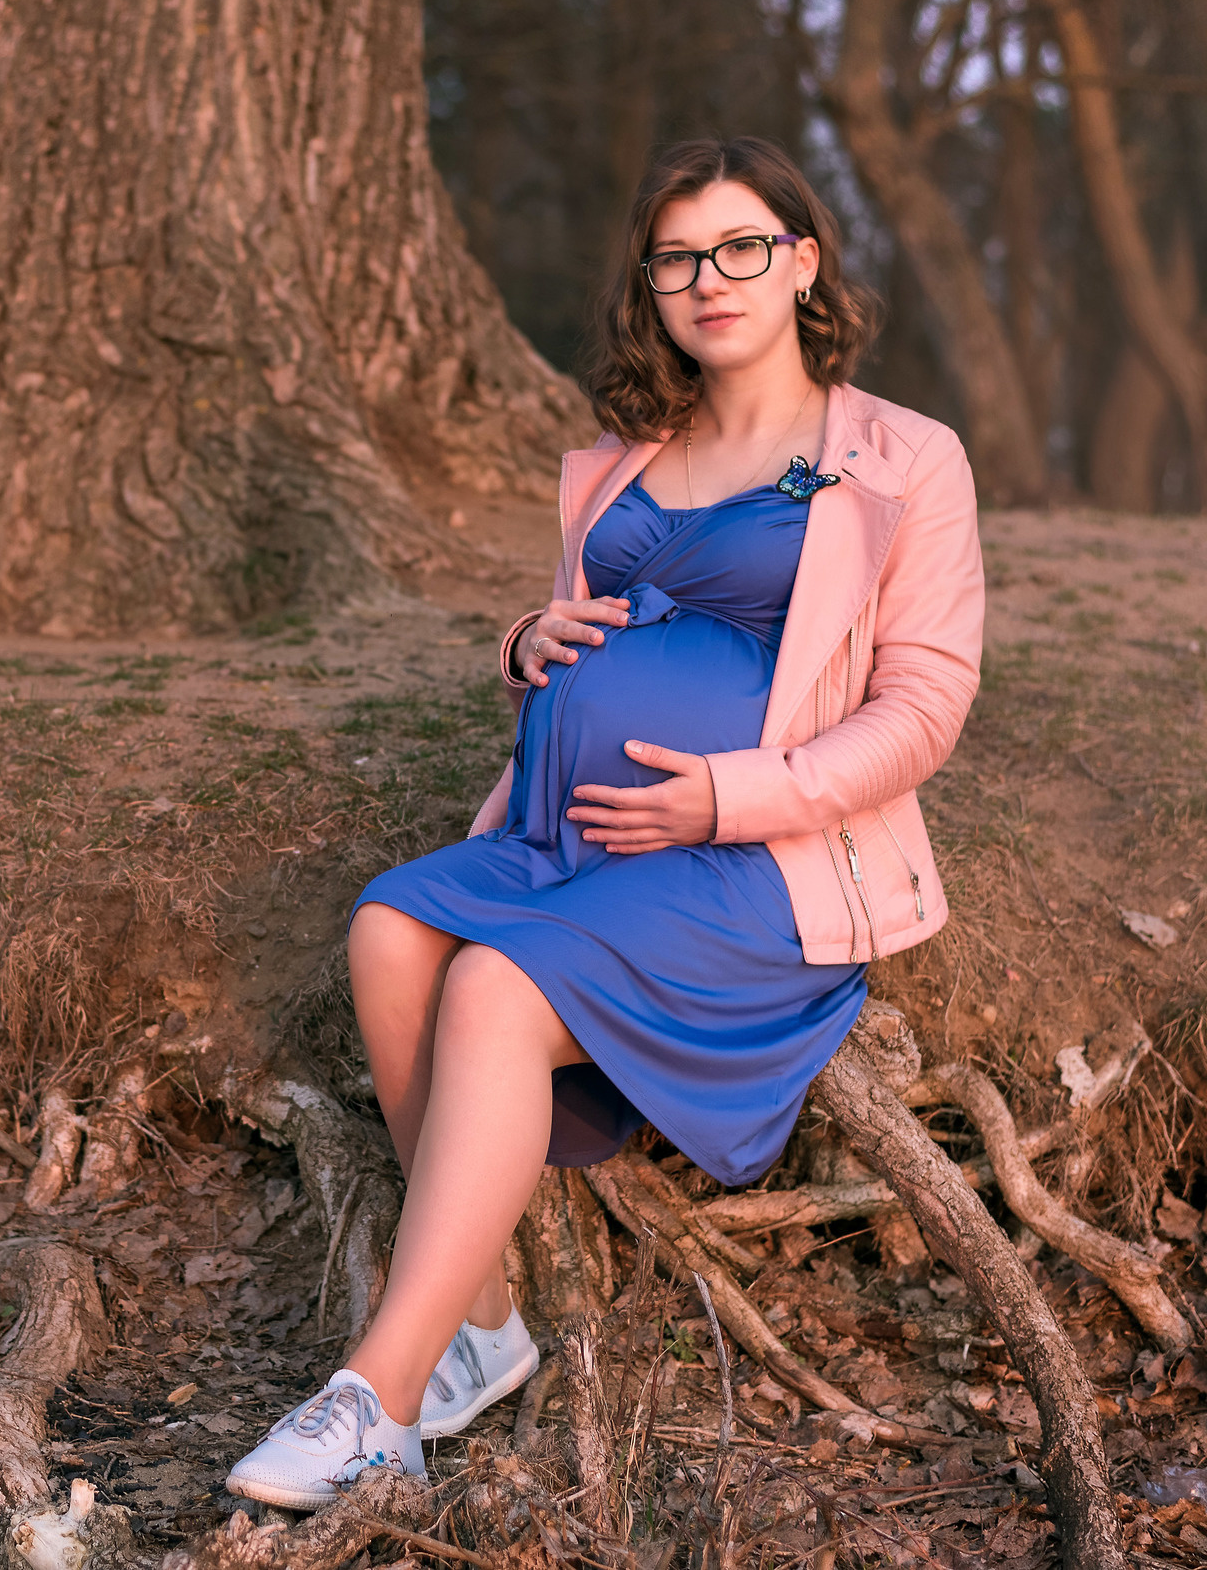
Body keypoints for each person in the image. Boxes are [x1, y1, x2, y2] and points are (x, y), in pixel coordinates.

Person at [223, 137, 986, 1510]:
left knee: (502, 984)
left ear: (803, 262)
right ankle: (480, 1325)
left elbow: (925, 705)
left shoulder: (901, 459)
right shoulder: (626, 457)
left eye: (742, 246)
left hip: (762, 863)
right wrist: (527, 639)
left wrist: (723, 793)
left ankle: (374, 1398)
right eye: (680, 256)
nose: (711, 279)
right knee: (392, 926)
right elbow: (592, 618)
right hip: (568, 839)